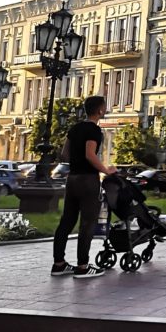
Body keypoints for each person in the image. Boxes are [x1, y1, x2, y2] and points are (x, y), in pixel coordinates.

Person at [51, 95, 116, 279]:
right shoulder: (94, 130)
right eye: (104, 107)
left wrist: (76, 161)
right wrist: (105, 170)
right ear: (100, 111)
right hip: (88, 181)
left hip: (72, 179)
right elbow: (90, 154)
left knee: (66, 221)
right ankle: (82, 266)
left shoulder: (75, 128)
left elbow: (64, 154)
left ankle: (59, 263)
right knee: (87, 222)